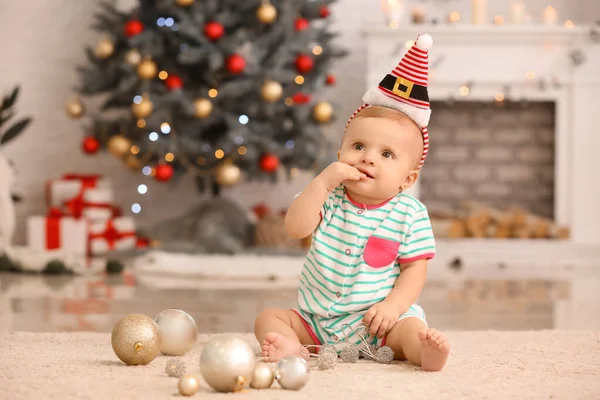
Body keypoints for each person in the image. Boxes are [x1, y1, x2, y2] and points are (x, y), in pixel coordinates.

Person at [254, 34, 449, 372]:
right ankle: (292, 348)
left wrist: (392, 307)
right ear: (339, 154)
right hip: (317, 322)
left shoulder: (409, 213)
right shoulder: (328, 198)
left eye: (386, 154)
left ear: (407, 179)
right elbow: (294, 227)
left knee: (410, 329)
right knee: (267, 318)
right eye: (359, 146)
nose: (367, 159)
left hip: (379, 324)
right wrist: (322, 182)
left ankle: (424, 352)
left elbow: (414, 270)